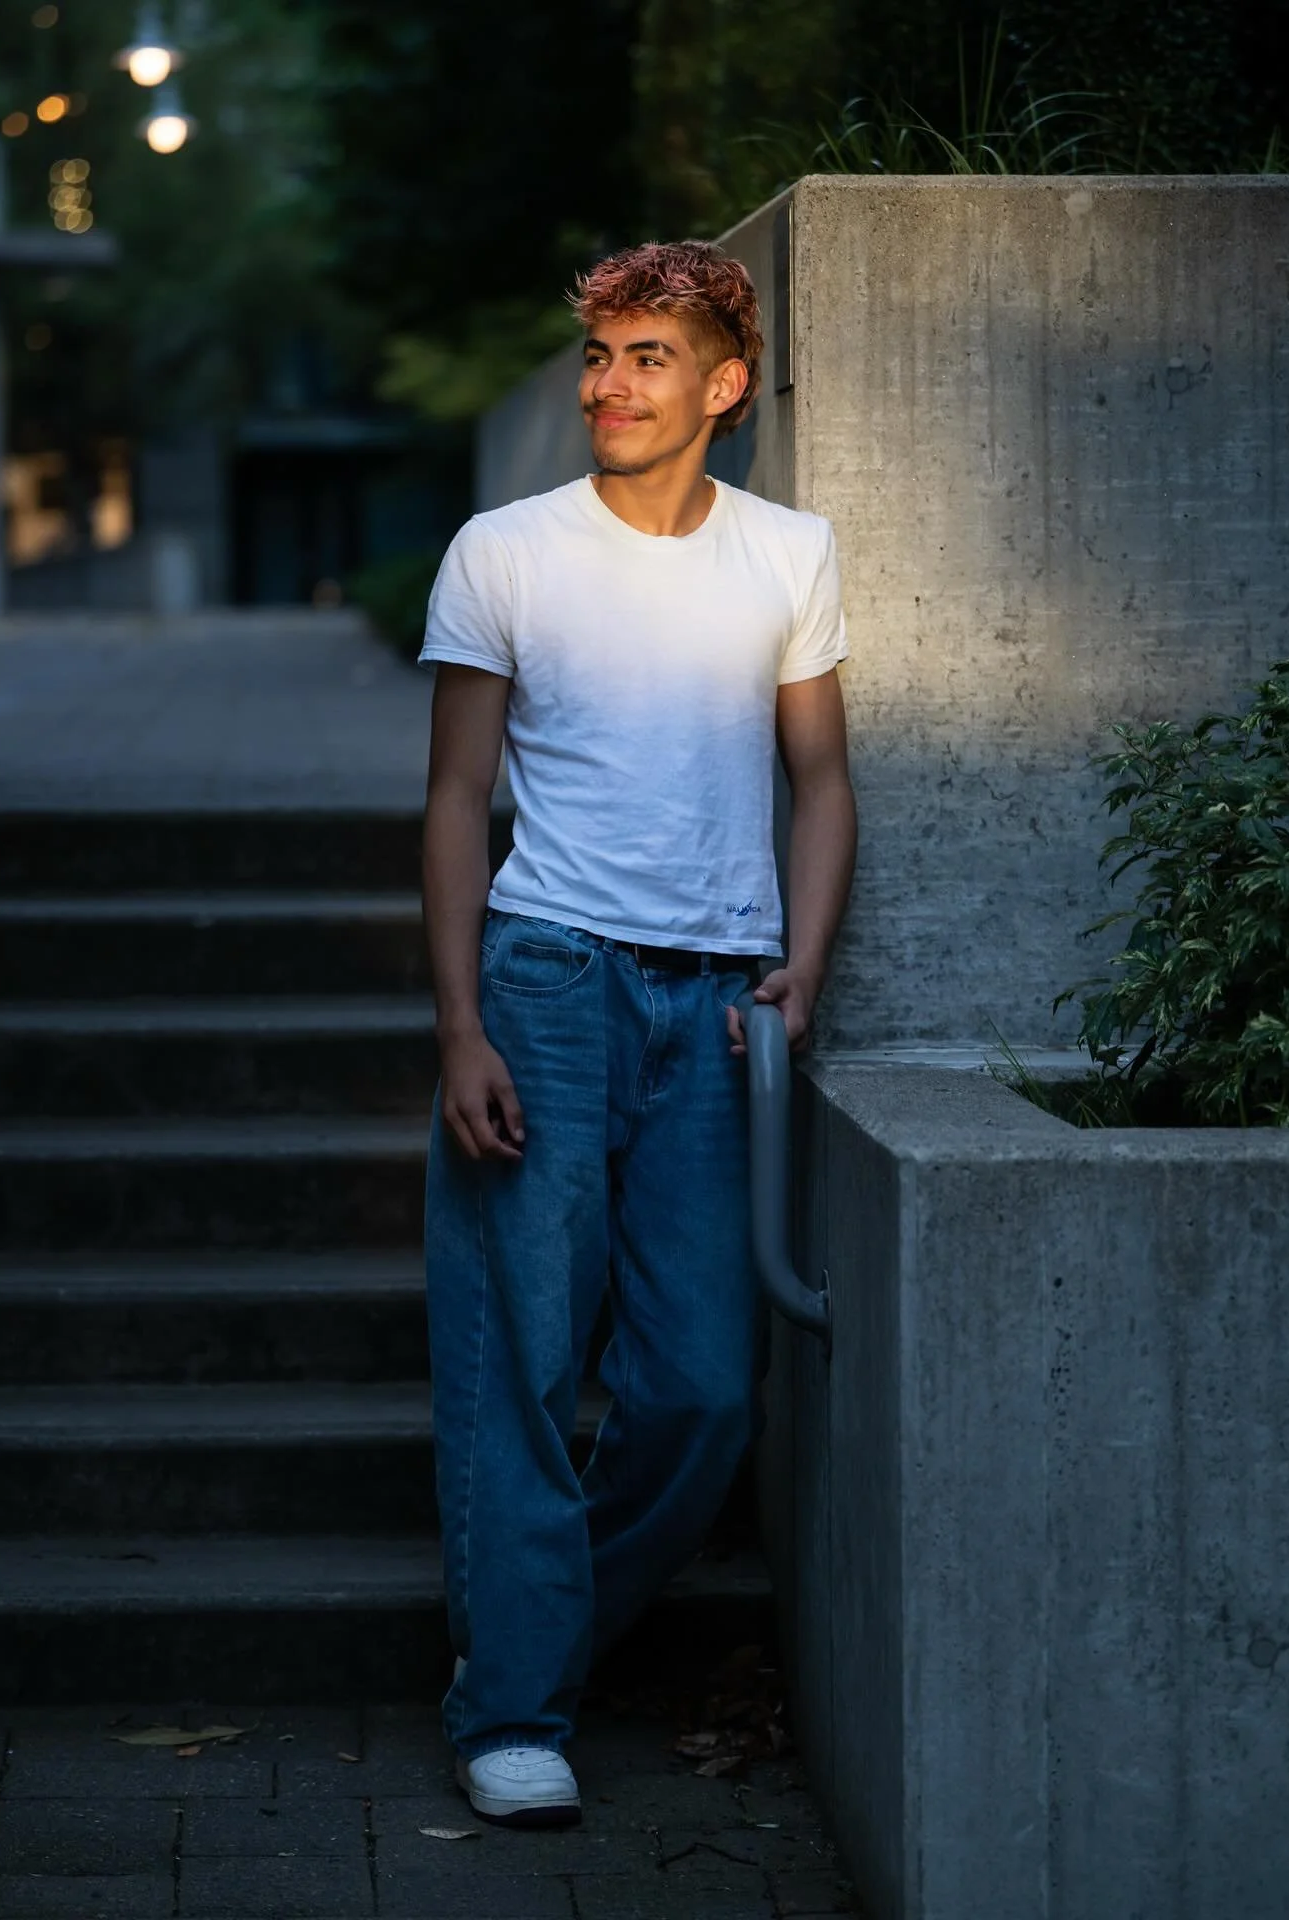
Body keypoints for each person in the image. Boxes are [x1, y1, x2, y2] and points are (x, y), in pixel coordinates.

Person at [418, 238, 857, 1829]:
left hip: (718, 998)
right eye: (599, 354)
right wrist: (461, 1020)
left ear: (725, 384)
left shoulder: (788, 553)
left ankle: (523, 1635)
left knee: (703, 1392)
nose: (610, 384)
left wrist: (801, 970)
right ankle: (515, 1706)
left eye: (649, 355)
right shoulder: (507, 551)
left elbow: (821, 780)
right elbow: (459, 800)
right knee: (522, 1360)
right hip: (548, 980)